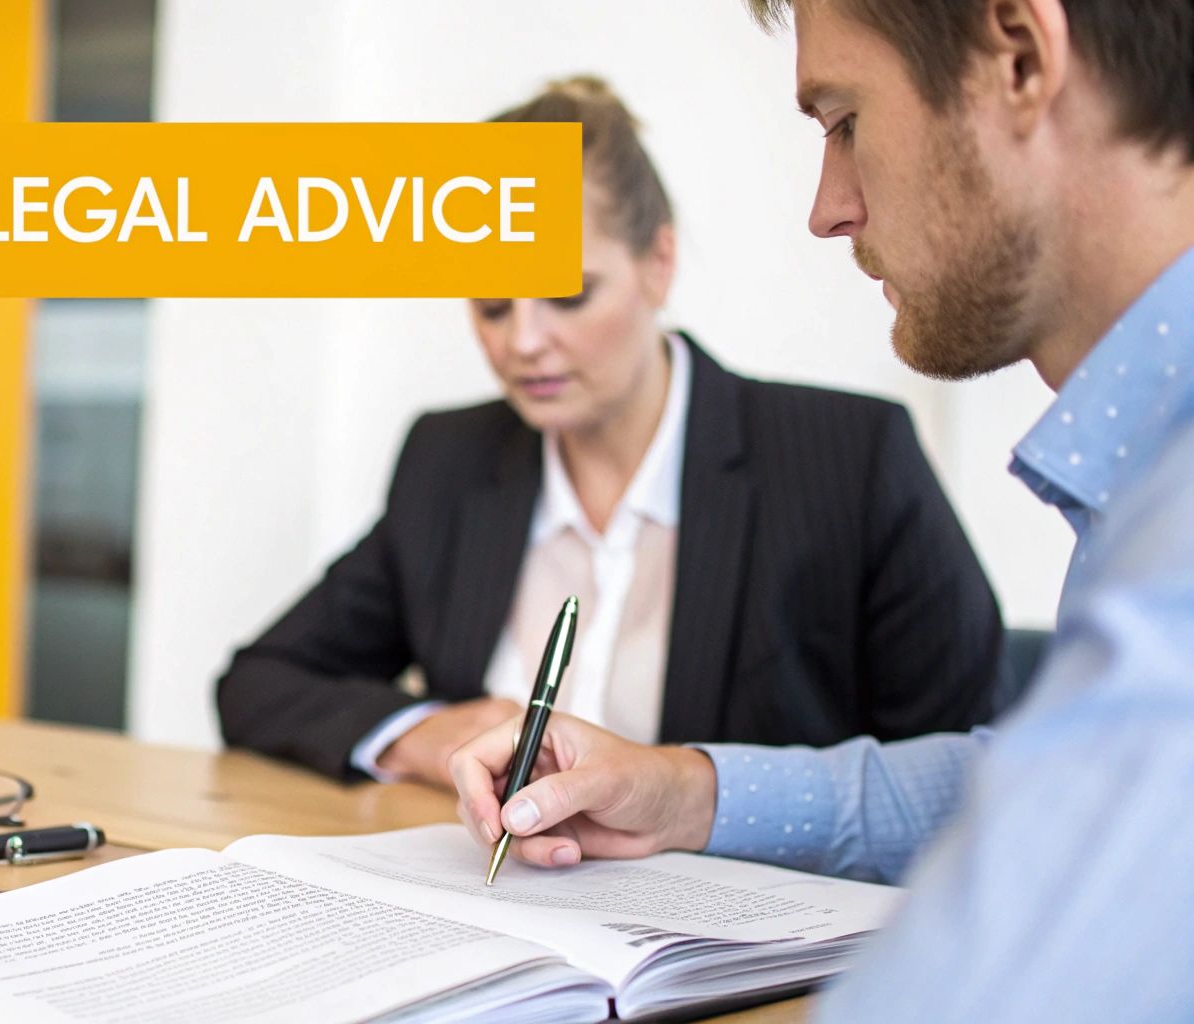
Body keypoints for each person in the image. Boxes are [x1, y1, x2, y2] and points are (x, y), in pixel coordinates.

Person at [452, 2, 1194, 1020]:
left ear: (1017, 59)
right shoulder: (1140, 471)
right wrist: (684, 791)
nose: (826, 207)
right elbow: (1011, 784)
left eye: (840, 119)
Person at [216, 76, 1006, 786]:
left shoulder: (847, 460)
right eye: (491, 303)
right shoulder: (448, 463)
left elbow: (969, 771)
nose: (523, 342)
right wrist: (419, 732)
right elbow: (260, 681)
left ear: (658, 263)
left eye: (567, 293)